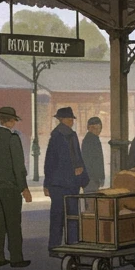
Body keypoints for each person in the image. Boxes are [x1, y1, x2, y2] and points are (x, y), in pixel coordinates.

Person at [43, 107, 88, 255]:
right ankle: (68, 245)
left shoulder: (64, 135)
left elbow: (51, 162)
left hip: (63, 183)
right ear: (61, 120)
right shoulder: (61, 136)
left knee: (61, 215)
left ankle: (58, 246)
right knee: (68, 215)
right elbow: (53, 161)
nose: (71, 121)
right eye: (68, 118)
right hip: (65, 183)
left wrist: (47, 183)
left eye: (71, 118)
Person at [0, 106, 31, 268]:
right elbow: (18, 167)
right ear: (10, 121)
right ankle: (16, 258)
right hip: (10, 188)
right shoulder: (12, 139)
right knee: (13, 223)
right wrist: (24, 188)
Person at [82, 116, 105, 192]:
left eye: (99, 129)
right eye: (95, 128)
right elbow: (94, 161)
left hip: (91, 177)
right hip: (92, 178)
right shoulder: (91, 140)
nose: (98, 131)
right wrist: (100, 177)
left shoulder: (91, 139)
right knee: (91, 199)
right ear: (89, 128)